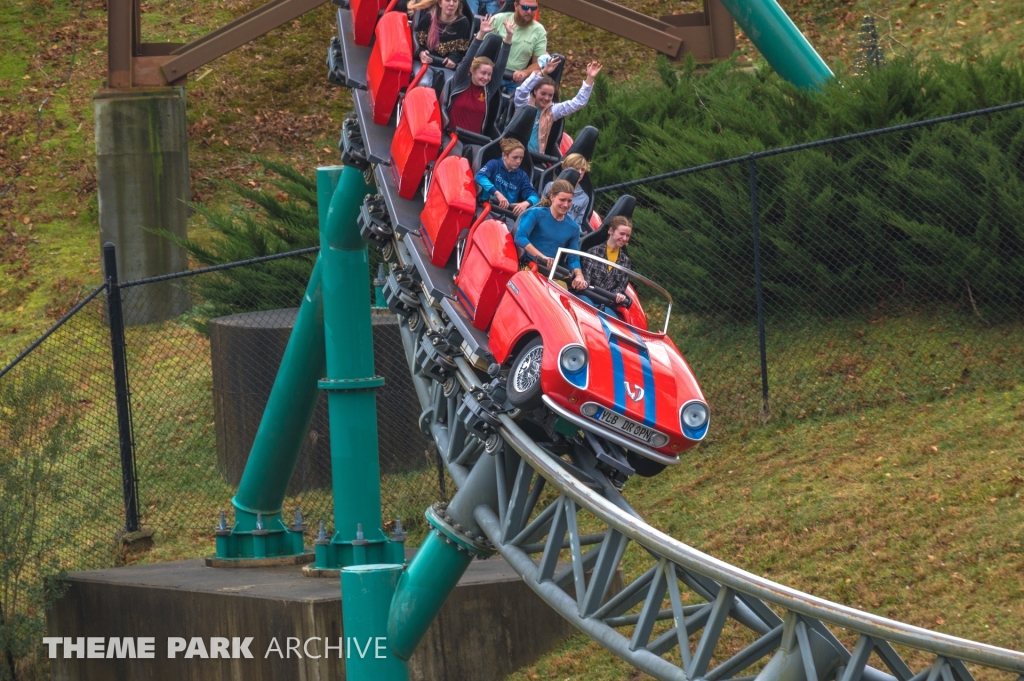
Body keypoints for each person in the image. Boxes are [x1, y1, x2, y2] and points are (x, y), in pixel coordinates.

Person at [515, 58, 601, 154]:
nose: (546, 98)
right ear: (535, 91)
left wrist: (590, 77)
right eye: (543, 94)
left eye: (550, 95)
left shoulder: (552, 110)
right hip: (514, 152)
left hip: (535, 157)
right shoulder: (523, 104)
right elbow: (522, 91)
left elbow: (578, 102)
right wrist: (542, 72)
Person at [446, 16, 513, 136]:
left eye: (489, 74)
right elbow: (467, 60)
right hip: (451, 136)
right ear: (472, 70)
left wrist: (508, 37)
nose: (486, 78)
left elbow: (501, 65)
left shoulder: (488, 90)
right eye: (483, 73)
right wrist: (481, 34)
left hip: (475, 140)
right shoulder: (460, 81)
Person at [514, 180, 587, 290]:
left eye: (569, 201)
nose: (566, 205)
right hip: (529, 265)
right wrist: (542, 257)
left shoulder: (574, 228)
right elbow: (520, 237)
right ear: (552, 197)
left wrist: (579, 275)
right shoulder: (536, 213)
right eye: (562, 200)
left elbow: (573, 258)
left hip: (551, 273)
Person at [579, 216, 633, 317]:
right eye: (621, 234)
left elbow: (620, 287)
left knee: (612, 320)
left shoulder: (625, 262)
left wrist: (618, 295)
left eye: (627, 236)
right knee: (588, 313)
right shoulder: (593, 252)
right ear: (611, 231)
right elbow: (586, 279)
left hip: (607, 303)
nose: (624, 238)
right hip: (587, 296)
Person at [491, 0, 547, 92]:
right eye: (525, 7)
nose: (529, 11)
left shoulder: (539, 31)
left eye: (533, 8)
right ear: (516, 5)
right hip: (491, 72)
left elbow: (538, 63)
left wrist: (525, 73)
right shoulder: (498, 19)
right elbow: (480, 47)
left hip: (515, 79)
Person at [475, 138, 540, 216]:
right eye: (515, 157)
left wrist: (525, 203)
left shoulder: (522, 176)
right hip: (486, 206)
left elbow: (535, 197)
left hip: (507, 213)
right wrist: (497, 193)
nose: (518, 161)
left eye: (521, 158)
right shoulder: (494, 164)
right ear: (504, 155)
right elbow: (479, 176)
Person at [410, 0, 471, 72]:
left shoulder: (463, 22)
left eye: (455, 1)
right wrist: (421, 52)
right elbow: (417, 42)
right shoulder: (428, 17)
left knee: (449, 82)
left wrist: (453, 57)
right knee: (424, 82)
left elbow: (461, 49)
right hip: (425, 63)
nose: (451, 4)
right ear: (440, 3)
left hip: (446, 67)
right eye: (447, 0)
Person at [542, 153, 591, 229]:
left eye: (583, 169)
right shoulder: (551, 186)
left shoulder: (584, 198)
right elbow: (541, 207)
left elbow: (578, 222)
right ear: (566, 168)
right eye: (577, 168)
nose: (580, 172)